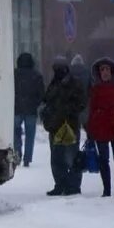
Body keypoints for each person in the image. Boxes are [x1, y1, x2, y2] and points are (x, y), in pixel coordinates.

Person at [41, 56, 86, 196]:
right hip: (55, 126)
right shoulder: (54, 84)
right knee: (56, 159)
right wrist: (47, 114)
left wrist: (68, 111)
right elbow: (47, 100)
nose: (58, 71)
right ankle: (60, 184)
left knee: (71, 157)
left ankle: (73, 186)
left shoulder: (74, 84)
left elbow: (81, 103)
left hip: (70, 126)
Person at [86, 58, 114, 196]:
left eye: (107, 69)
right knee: (104, 159)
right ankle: (107, 189)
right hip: (100, 127)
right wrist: (90, 129)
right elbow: (91, 109)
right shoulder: (96, 88)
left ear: (112, 71)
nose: (104, 72)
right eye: (102, 70)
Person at [13, 52, 44, 167]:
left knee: (15, 133)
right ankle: (27, 158)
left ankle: (17, 153)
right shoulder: (36, 75)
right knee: (30, 136)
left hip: (16, 109)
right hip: (31, 110)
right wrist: (35, 103)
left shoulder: (14, 74)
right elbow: (41, 94)